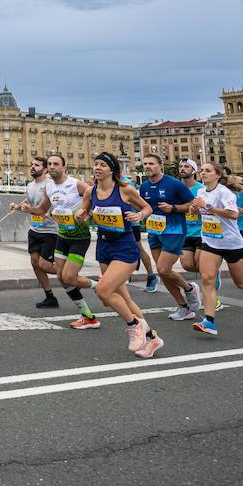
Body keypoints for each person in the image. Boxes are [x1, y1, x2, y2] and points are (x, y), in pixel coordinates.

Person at [76, 152, 164, 359]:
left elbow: (147, 207)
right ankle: (151, 338)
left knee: (104, 291)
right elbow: (84, 214)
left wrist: (139, 215)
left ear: (112, 170)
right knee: (121, 298)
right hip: (104, 246)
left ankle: (134, 326)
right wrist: (81, 216)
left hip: (124, 247)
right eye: (95, 164)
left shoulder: (125, 190)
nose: (97, 168)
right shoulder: (91, 191)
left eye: (102, 165)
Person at [189, 162, 243, 336]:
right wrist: (196, 209)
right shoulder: (200, 192)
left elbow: (233, 214)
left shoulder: (224, 192)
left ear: (217, 175)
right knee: (207, 279)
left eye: (208, 171)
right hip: (210, 241)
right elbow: (203, 213)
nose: (203, 173)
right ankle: (209, 321)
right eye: (202, 171)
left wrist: (206, 206)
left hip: (232, 244)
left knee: (242, 282)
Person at [137, 154, 201, 322]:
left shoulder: (175, 184)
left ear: (160, 165)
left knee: (164, 269)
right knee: (162, 272)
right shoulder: (144, 187)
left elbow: (191, 204)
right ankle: (183, 307)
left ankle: (189, 289)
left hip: (174, 230)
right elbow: (144, 206)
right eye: (145, 164)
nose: (148, 166)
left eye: (151, 163)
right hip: (154, 231)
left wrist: (173, 208)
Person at [44, 154, 92, 319]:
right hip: (62, 236)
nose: (51, 167)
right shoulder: (48, 187)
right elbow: (43, 208)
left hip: (80, 237)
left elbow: (96, 197)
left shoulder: (76, 184)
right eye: (49, 164)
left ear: (64, 167)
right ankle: (86, 314)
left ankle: (99, 286)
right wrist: (26, 209)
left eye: (56, 164)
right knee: (60, 277)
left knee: (69, 277)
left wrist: (87, 213)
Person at [12, 156, 60, 308]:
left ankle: (70, 277)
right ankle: (50, 296)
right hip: (34, 229)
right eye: (32, 164)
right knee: (35, 263)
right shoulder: (30, 185)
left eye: (37, 165)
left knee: (44, 264)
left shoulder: (51, 185)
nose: (33, 167)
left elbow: (59, 204)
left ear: (45, 169)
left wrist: (50, 212)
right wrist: (17, 207)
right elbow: (29, 206)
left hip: (50, 231)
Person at [178, 159, 205, 277]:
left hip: (201, 232)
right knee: (187, 265)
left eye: (186, 167)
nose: (182, 169)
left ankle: (210, 277)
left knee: (200, 264)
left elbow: (210, 209)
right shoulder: (176, 188)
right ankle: (210, 273)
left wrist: (198, 210)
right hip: (184, 232)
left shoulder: (202, 189)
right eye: (180, 166)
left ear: (194, 171)